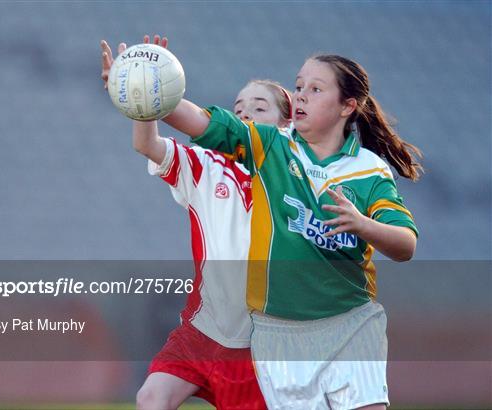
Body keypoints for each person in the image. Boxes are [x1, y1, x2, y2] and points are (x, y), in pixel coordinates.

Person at [155, 49, 422, 409]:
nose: (301, 96)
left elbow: (405, 245)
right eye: (298, 86)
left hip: (349, 322)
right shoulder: (270, 145)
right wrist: (143, 89)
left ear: (347, 106)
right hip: (277, 332)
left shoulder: (368, 169)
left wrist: (363, 225)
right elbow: (196, 120)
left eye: (315, 89)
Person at [101, 36, 292, 410]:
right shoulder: (206, 164)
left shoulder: (296, 178)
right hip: (204, 327)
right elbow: (147, 145)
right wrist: (139, 93)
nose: (246, 113)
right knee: (151, 397)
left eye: (260, 106)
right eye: (239, 107)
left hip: (260, 342)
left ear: (286, 123)